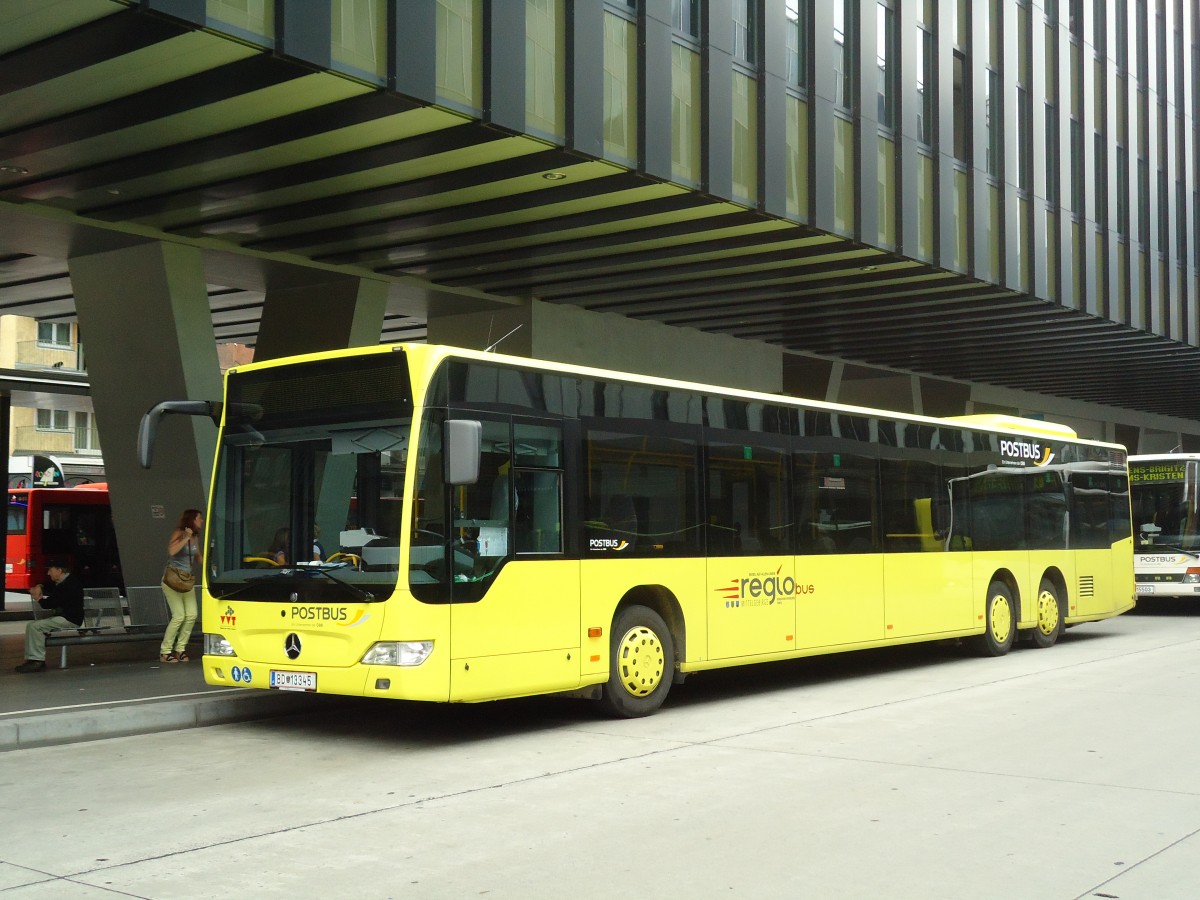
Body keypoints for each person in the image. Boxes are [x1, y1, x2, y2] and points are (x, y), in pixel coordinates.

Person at [15, 559, 84, 673]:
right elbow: (48, 585)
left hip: (69, 619)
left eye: (50, 570)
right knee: (34, 626)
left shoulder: (69, 585)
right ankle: (34, 659)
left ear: (59, 570)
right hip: (66, 617)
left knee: (35, 627)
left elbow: (49, 604)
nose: (48, 573)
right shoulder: (65, 581)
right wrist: (39, 586)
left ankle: (36, 661)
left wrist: (38, 598)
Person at [160, 508, 202, 664]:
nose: (201, 521)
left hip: (186, 580)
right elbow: (172, 551)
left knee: (191, 615)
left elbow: (198, 557)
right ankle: (165, 652)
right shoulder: (179, 533)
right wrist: (186, 537)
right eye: (199, 518)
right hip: (172, 580)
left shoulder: (195, 537)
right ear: (192, 520)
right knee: (178, 616)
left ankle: (180, 649)